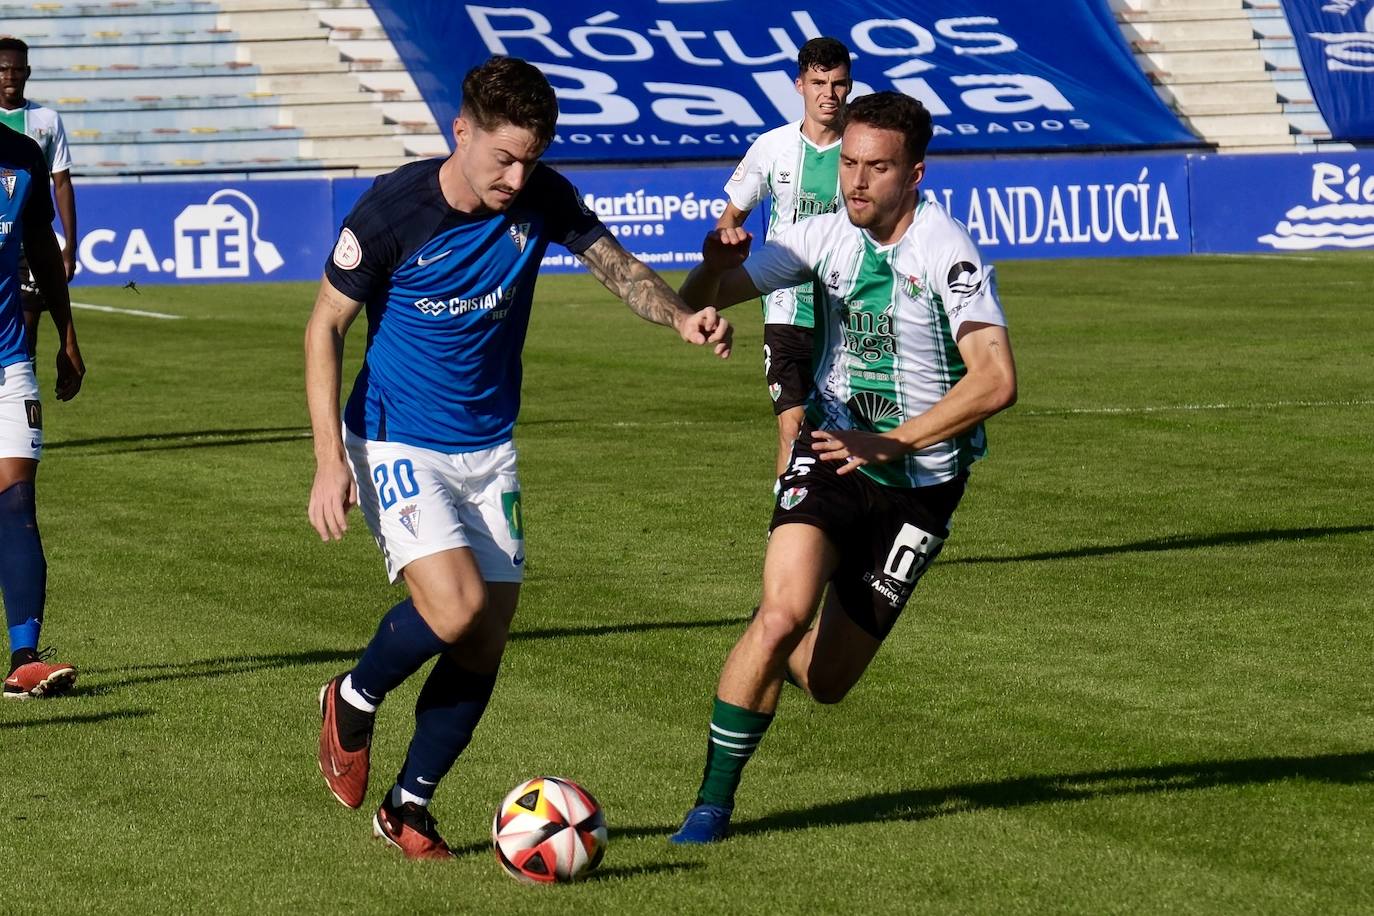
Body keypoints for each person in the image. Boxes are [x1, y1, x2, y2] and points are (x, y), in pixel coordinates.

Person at [305, 56, 732, 860]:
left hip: (487, 446)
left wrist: (678, 317)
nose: (516, 174)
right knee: (457, 607)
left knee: (485, 638)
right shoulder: (394, 211)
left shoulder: (542, 195)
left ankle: (408, 807)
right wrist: (331, 461)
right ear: (460, 131)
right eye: (503, 155)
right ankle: (353, 696)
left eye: (530, 157)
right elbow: (323, 326)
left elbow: (617, 266)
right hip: (395, 434)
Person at [668, 91, 1018, 844]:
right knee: (779, 615)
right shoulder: (820, 234)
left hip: (921, 487)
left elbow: (995, 380)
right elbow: (703, 297)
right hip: (830, 452)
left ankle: (785, 648)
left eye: (877, 168)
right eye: (849, 164)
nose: (856, 182)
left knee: (825, 683)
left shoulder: (944, 248)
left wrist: (896, 443)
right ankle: (709, 807)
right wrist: (708, 266)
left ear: (915, 174)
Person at [718, 36, 851, 479]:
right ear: (799, 86)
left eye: (838, 84)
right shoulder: (772, 147)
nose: (828, 94)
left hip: (850, 310)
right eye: (818, 83)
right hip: (785, 309)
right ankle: (786, 532)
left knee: (851, 432)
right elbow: (730, 218)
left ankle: (845, 532)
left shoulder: (863, 149)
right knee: (792, 429)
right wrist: (726, 265)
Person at [0, 122, 86, 699]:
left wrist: (67, 335)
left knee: (16, 501)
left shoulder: (23, 158)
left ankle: (24, 658)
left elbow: (42, 254)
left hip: (9, 363)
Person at [0, 37, 78, 355]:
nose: (10, 76)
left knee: (28, 328)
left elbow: (61, 183)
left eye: (17, 70)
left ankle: (22, 391)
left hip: (27, 239)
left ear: (27, 72)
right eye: (4, 69)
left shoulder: (48, 121)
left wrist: (69, 244)